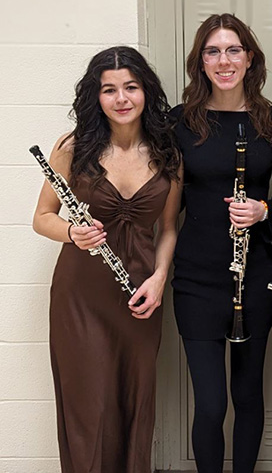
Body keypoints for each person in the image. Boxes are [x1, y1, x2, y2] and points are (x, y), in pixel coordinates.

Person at [32, 46, 182, 473]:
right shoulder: (72, 149)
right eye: (109, 89)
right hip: (81, 295)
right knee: (90, 408)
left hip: (140, 294)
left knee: (134, 404)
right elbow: (42, 218)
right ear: (95, 97)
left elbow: (168, 227)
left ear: (146, 92)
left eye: (131, 87)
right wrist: (72, 233)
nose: (121, 99)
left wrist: (159, 278)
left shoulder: (168, 154)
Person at [171, 13, 272, 473]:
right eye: (212, 51)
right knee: (210, 404)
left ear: (250, 58)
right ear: (200, 62)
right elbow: (163, 201)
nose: (224, 61)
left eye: (233, 50)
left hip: (255, 274)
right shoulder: (178, 123)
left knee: (248, 396)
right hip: (197, 278)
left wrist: (265, 211)